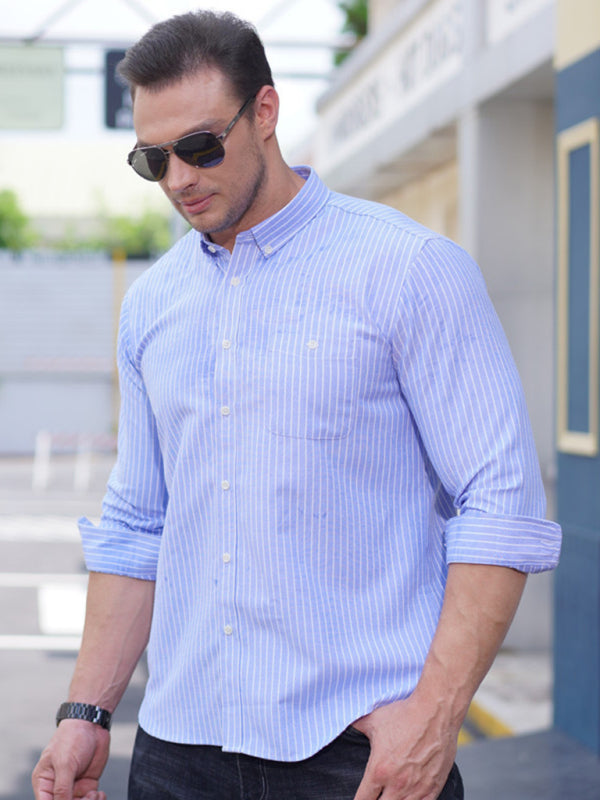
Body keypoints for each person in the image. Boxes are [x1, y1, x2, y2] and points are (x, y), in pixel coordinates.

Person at [32, 9, 561, 800]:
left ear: (266, 112)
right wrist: (87, 712)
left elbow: (501, 504)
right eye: (153, 159)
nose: (178, 179)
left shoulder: (410, 270)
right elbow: (138, 525)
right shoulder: (151, 306)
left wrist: (435, 716)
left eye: (200, 146)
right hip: (178, 753)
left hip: (357, 755)